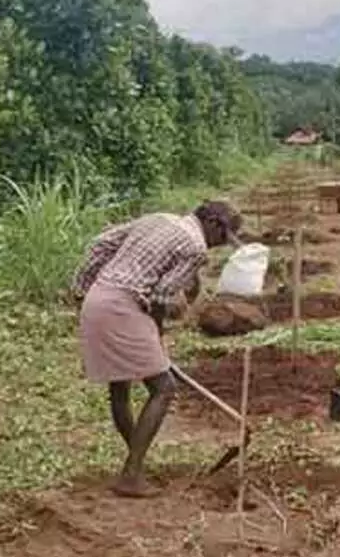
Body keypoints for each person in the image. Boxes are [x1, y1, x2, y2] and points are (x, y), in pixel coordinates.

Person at [70, 200, 241, 497]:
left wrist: (83, 290)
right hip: (123, 308)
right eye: (222, 238)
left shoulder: (159, 218)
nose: (217, 247)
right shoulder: (195, 247)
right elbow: (161, 296)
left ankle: (135, 460)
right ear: (213, 224)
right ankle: (131, 474)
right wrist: (157, 338)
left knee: (119, 387)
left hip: (98, 300)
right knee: (164, 388)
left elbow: (100, 244)